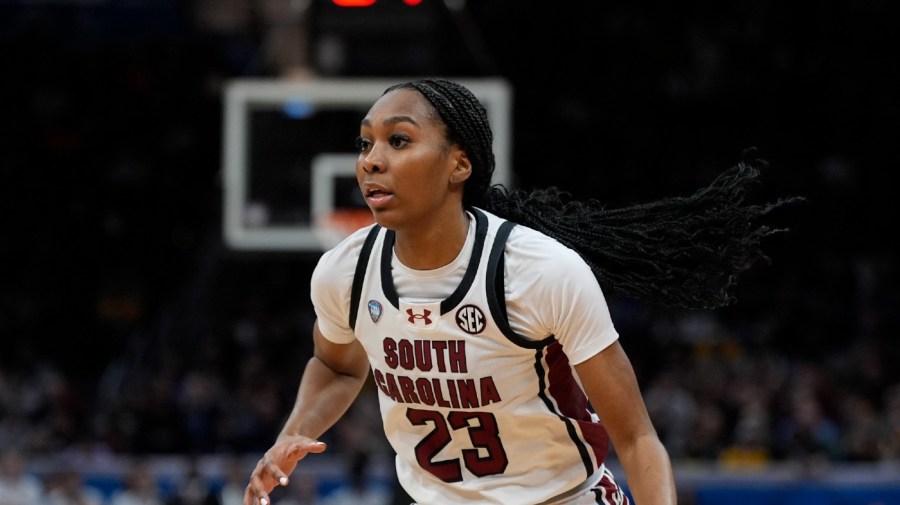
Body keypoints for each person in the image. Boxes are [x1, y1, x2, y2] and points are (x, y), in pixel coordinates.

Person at [243, 78, 801, 505]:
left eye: (399, 140)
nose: (371, 159)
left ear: (458, 165)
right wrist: (289, 438)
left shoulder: (538, 272)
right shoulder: (345, 272)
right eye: (366, 143)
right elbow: (339, 367)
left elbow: (637, 440)